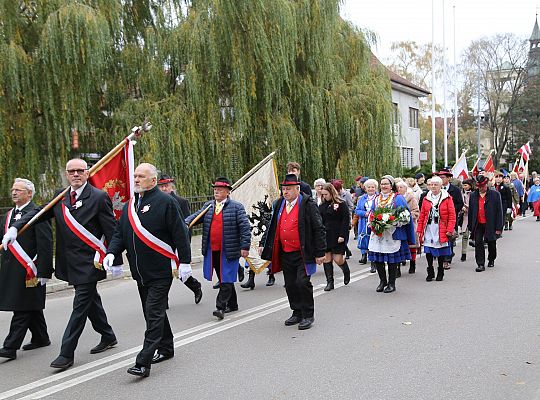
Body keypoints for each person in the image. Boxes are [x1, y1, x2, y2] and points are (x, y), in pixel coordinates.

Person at [3, 159, 119, 370]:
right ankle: (108, 335)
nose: (75, 174)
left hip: (90, 263)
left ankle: (66, 353)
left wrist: (115, 258)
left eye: (79, 171)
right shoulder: (61, 195)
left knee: (79, 307)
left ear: (87, 172)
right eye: (71, 171)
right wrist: (15, 228)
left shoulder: (99, 197)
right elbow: (36, 214)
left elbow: (111, 229)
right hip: (69, 263)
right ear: (67, 174)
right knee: (90, 300)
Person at [104, 163, 191, 378]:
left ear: (153, 181)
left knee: (152, 313)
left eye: (141, 176)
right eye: (134, 176)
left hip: (160, 271)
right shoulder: (130, 205)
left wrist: (186, 262)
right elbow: (120, 233)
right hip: (139, 271)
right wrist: (112, 253)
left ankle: (143, 363)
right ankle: (167, 347)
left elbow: (181, 233)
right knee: (152, 311)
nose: (136, 180)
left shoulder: (166, 202)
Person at [259, 174, 325, 330]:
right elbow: (272, 226)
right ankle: (297, 312)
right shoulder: (279, 203)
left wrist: (320, 251)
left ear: (297, 189)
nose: (285, 192)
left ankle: (308, 314)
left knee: (302, 282)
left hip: (303, 251)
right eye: (283, 189)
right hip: (285, 252)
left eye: (288, 189)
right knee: (289, 284)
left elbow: (319, 228)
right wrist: (263, 243)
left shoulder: (308, 204)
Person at [0, 179, 53, 361]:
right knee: (31, 305)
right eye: (13, 189)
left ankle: (10, 347)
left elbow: (45, 244)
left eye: (19, 190)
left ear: (29, 193)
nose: (14, 193)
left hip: (29, 270)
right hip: (11, 269)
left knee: (22, 308)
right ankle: (41, 337)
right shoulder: (9, 215)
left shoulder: (38, 214)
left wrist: (45, 271)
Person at [186, 177, 251, 320]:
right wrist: (185, 223)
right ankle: (233, 304)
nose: (216, 192)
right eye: (215, 189)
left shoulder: (236, 207)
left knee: (226, 278)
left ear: (227, 192)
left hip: (229, 250)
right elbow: (196, 217)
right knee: (223, 278)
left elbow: (245, 228)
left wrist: (245, 246)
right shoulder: (209, 206)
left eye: (220, 190)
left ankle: (220, 307)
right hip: (213, 250)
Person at [157, 174, 202, 304]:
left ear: (172, 187)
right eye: (161, 186)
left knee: (180, 270)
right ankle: (162, 300)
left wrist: (185, 245)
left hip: (176, 242)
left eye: (166, 186)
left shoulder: (181, 202)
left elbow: (187, 225)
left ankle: (195, 286)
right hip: (161, 243)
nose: (164, 189)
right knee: (163, 273)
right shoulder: (156, 202)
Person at [368, 175, 415, 293]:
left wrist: (392, 221)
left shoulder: (397, 198)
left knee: (391, 260)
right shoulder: (376, 198)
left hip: (392, 233)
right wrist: (373, 222)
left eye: (386, 184)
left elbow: (405, 216)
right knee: (378, 259)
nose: (384, 186)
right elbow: (372, 213)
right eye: (382, 184)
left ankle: (391, 283)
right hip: (379, 233)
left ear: (391, 186)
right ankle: (382, 281)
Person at [416, 176, 456, 282]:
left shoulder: (447, 197)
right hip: (429, 227)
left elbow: (452, 215)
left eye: (435, 184)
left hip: (441, 227)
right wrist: (419, 230)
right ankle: (430, 270)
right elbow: (422, 215)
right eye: (431, 184)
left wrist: (450, 229)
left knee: (440, 251)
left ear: (440, 185)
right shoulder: (426, 197)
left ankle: (440, 271)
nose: (433, 186)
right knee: (428, 250)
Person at [467, 175, 504, 272]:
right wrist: (470, 225)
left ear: (487, 184)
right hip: (478, 223)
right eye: (479, 186)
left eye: (483, 186)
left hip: (490, 223)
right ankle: (480, 264)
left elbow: (499, 212)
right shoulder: (473, 195)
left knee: (491, 242)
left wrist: (499, 227)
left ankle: (491, 258)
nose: (481, 188)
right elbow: (471, 211)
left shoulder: (495, 195)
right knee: (478, 243)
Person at [318, 183, 351, 291]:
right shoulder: (321, 206)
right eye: (322, 195)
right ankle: (330, 282)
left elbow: (345, 220)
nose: (324, 197)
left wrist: (342, 235)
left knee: (337, 258)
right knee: (327, 259)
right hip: (325, 235)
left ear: (331, 193)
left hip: (337, 234)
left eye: (326, 194)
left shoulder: (341, 204)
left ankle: (345, 270)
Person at [435, 169, 464, 268]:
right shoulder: (435, 190)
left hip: (450, 219)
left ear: (448, 178)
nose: (441, 179)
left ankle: (447, 259)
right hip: (437, 219)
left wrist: (450, 210)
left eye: (443, 177)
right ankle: (442, 256)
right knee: (439, 238)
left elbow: (460, 203)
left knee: (449, 238)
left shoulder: (455, 190)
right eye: (439, 177)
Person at [396, 181, 419, 274]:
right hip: (397, 226)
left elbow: (416, 211)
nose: (399, 189)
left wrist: (406, 216)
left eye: (401, 187)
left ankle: (413, 263)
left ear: (406, 188)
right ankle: (397, 268)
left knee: (411, 245)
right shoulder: (394, 198)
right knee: (397, 246)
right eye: (398, 187)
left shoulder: (411, 198)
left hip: (409, 225)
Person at [355, 179, 378, 271]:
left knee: (373, 241)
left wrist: (373, 215)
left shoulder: (378, 198)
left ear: (375, 188)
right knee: (364, 239)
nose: (371, 189)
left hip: (375, 222)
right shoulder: (362, 198)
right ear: (365, 188)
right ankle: (364, 254)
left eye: (372, 187)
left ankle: (373, 262)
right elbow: (357, 210)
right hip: (364, 222)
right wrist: (365, 214)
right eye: (369, 187)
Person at [459, 179, 475, 261]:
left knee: (476, 234)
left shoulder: (475, 194)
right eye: (463, 185)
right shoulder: (461, 193)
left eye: (466, 185)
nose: (464, 187)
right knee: (465, 235)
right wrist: (462, 208)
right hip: (465, 216)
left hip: (474, 216)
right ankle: (463, 253)